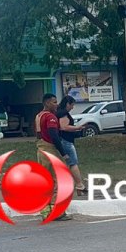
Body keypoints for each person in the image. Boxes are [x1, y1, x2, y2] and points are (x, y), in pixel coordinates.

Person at [35, 93, 71, 221]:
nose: (56, 105)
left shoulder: (39, 116)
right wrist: (63, 153)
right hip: (50, 149)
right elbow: (54, 135)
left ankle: (45, 212)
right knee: (57, 180)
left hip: (40, 149)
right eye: (54, 102)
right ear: (47, 103)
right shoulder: (50, 117)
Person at [56, 95, 88, 196]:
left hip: (65, 140)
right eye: (72, 105)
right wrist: (77, 127)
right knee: (73, 163)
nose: (72, 107)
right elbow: (64, 127)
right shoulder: (63, 114)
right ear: (67, 104)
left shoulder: (59, 112)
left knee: (70, 164)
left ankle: (78, 186)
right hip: (66, 141)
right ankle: (80, 185)